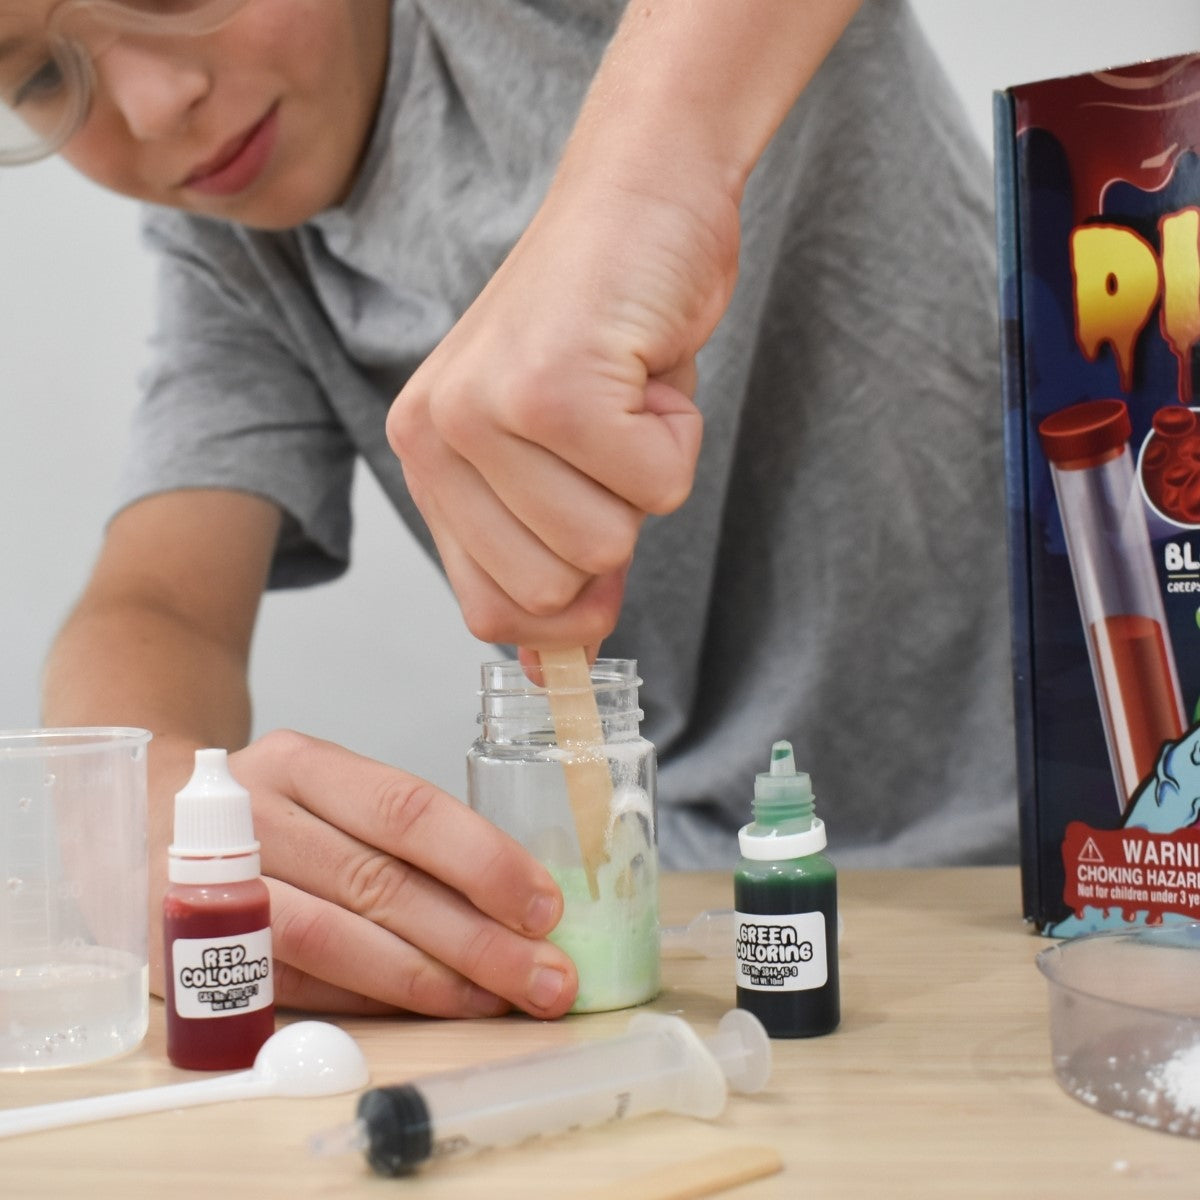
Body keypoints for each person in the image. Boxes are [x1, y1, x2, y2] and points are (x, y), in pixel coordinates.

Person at [12, 0, 1016, 1019]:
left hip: (1095, 838)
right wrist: (141, 809)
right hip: (719, 915)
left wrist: (640, 188)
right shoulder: (235, 254)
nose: (151, 103)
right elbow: (155, 601)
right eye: (41, 76)